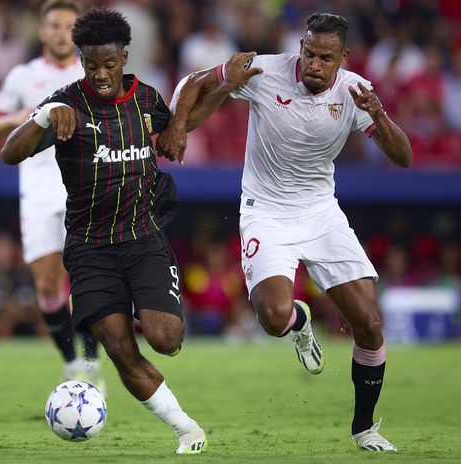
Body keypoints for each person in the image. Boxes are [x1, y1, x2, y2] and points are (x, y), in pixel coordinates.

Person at [158, 12, 412, 452]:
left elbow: (404, 157)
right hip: (266, 212)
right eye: (308, 53)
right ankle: (300, 324)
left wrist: (380, 116)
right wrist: (178, 124)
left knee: (369, 325)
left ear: (343, 58)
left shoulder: (355, 92)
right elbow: (191, 83)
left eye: (325, 57)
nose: (313, 63)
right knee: (274, 318)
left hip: (321, 212)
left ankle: (365, 428)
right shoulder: (264, 70)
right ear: (301, 46)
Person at [0, 8, 206, 454]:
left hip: (143, 239)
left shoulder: (147, 99)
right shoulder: (65, 105)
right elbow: (9, 154)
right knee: (118, 348)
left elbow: (179, 125)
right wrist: (41, 118)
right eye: (91, 64)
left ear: (124, 58)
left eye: (109, 64)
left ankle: (148, 306)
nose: (100, 74)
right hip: (89, 249)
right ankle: (187, 429)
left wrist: (211, 95)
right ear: (81, 60)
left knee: (165, 339)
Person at [0, 0, 103, 387]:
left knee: (90, 282)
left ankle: (91, 363)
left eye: (69, 25)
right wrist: (28, 117)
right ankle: (70, 362)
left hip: (87, 188)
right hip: (39, 191)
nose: (61, 31)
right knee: (48, 288)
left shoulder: (96, 73)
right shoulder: (23, 75)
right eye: (54, 24)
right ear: (42, 31)